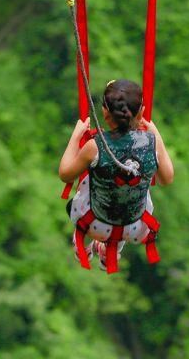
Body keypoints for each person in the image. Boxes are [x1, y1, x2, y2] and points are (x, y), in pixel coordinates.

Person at [58, 79, 174, 271]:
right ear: (141, 112)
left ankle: (85, 242)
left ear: (104, 113)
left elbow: (65, 174)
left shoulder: (95, 146)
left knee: (89, 175)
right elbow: (166, 179)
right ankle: (113, 249)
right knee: (136, 184)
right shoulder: (151, 143)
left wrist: (76, 135)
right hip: (136, 228)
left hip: (93, 224)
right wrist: (155, 132)